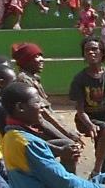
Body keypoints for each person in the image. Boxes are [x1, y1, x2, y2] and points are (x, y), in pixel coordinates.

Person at [12, 43, 83, 173]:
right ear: (26, 60)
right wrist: (67, 134)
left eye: (40, 55)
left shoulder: (32, 79)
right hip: (28, 132)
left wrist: (67, 131)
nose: (41, 59)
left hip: (37, 128)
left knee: (69, 145)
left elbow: (48, 112)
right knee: (69, 147)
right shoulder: (24, 81)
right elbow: (43, 116)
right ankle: (69, 187)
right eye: (36, 56)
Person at [69, 38, 105, 178]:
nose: (91, 53)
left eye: (94, 49)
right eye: (87, 50)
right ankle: (97, 171)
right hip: (86, 119)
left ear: (102, 52)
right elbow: (80, 111)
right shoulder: (80, 79)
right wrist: (90, 125)